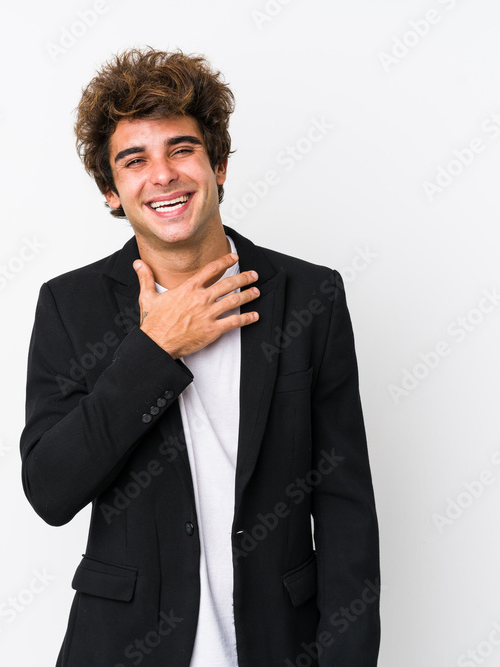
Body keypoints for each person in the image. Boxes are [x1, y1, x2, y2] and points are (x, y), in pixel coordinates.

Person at [19, 47, 380, 666]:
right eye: (135, 160)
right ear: (111, 191)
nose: (162, 175)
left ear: (218, 165)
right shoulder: (68, 307)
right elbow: (51, 490)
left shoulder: (310, 297)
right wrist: (154, 347)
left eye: (181, 150)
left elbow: (346, 508)